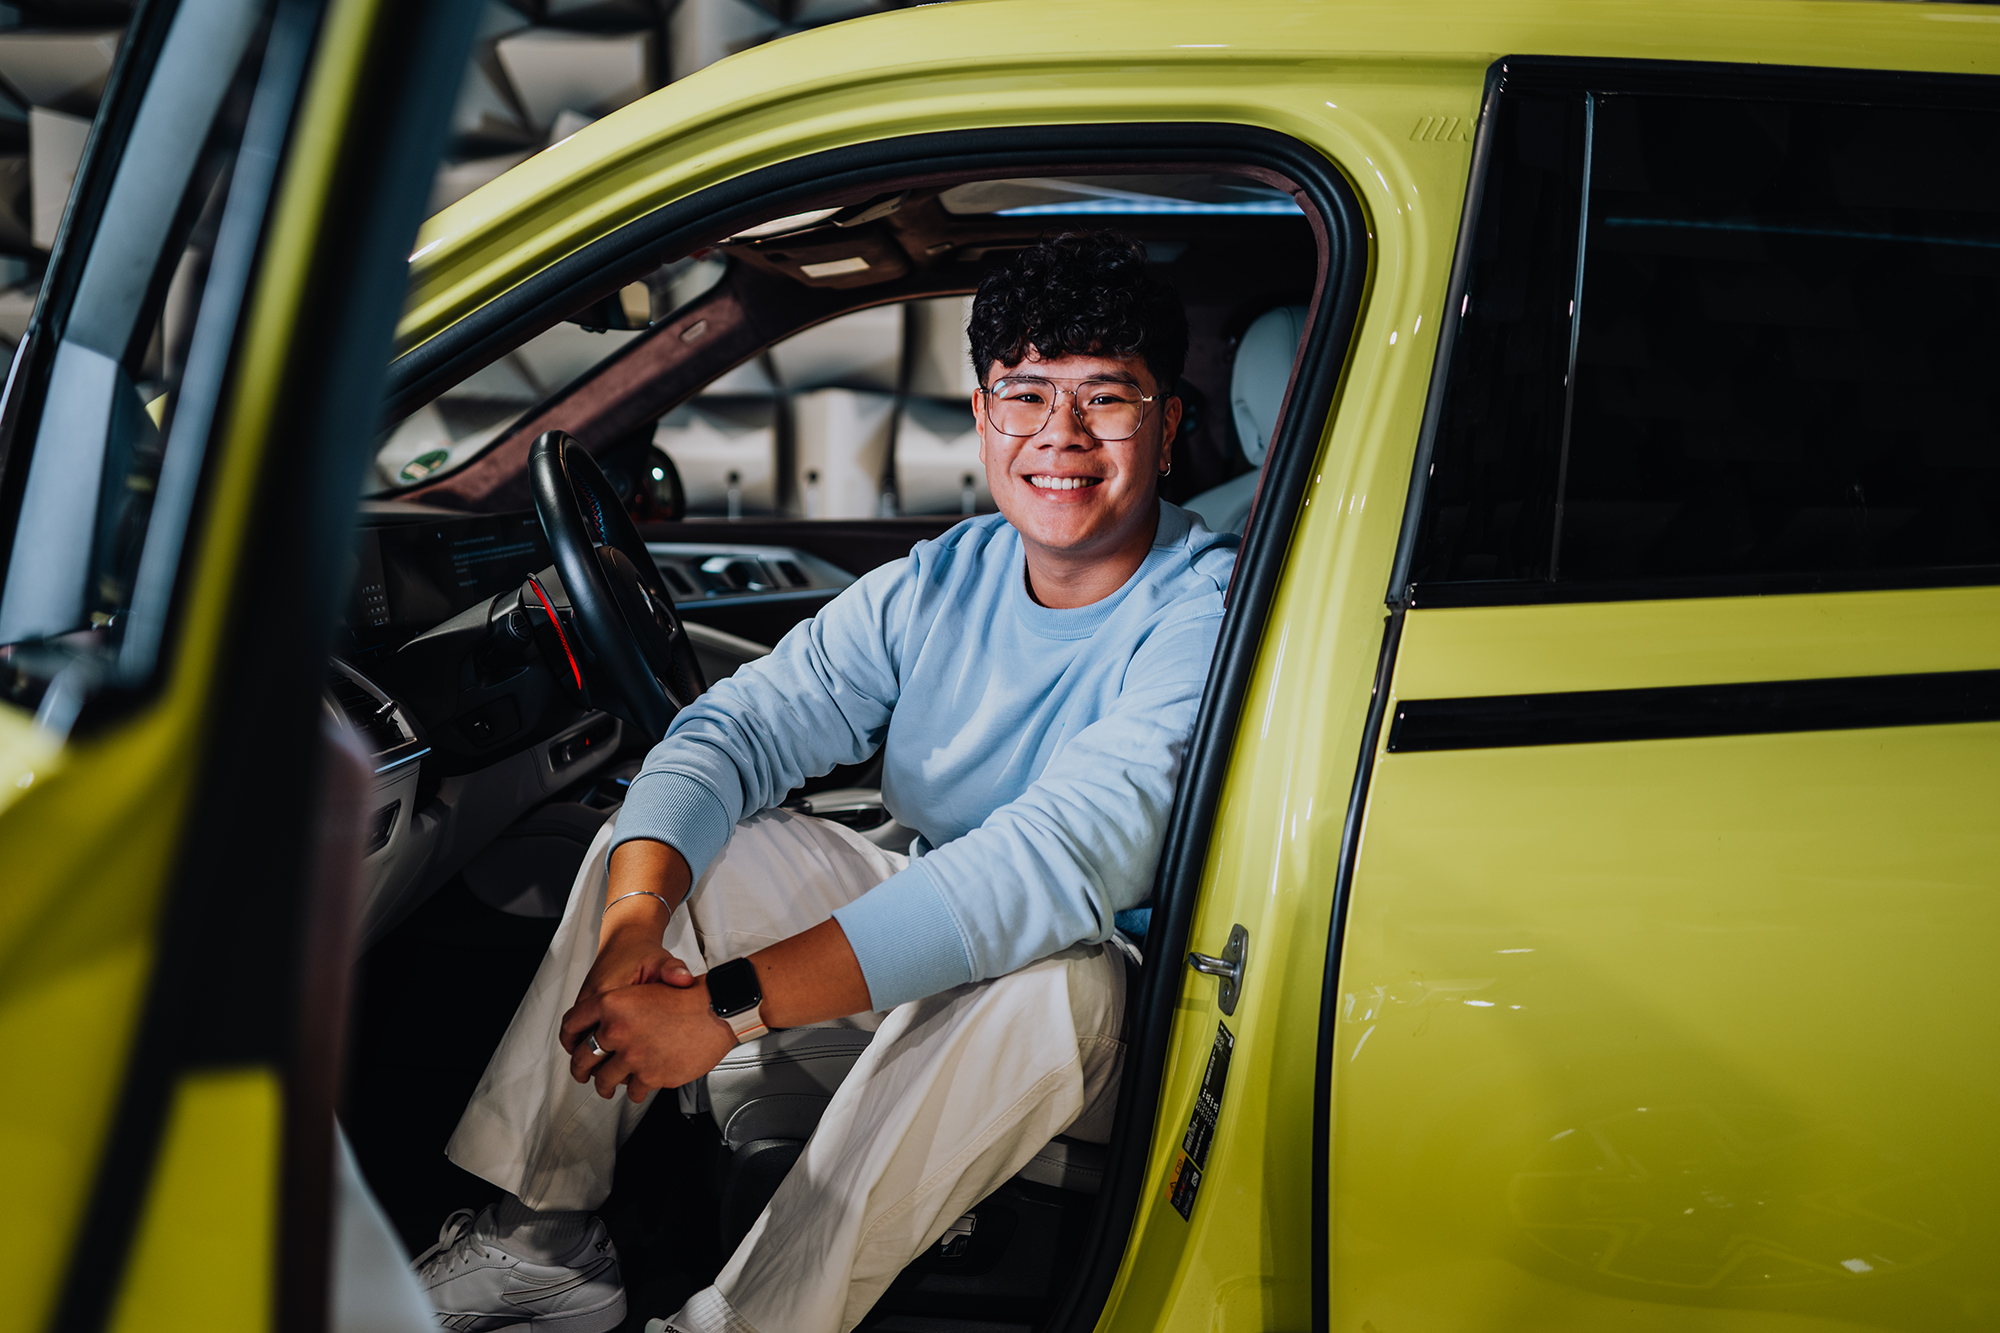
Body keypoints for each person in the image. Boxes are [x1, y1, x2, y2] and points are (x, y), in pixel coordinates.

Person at [414, 230, 1238, 1333]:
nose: (1061, 434)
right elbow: (732, 730)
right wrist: (633, 924)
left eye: (1107, 398)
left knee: (1053, 979)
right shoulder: (946, 577)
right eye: (1026, 394)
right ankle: (542, 1245)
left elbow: (1046, 870)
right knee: (681, 851)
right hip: (946, 949)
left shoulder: (1204, 608)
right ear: (983, 413)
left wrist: (725, 1007)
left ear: (1168, 425)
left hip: (1119, 1004)